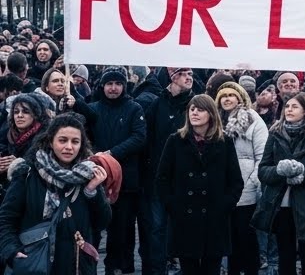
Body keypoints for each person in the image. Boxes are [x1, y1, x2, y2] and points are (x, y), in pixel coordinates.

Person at [0, 113, 112, 275]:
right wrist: (11, 251)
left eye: (75, 142)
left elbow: (102, 222)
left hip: (76, 264)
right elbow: (6, 218)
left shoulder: (87, 174)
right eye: (62, 140)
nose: (69, 147)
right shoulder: (28, 173)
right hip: (37, 262)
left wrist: (91, 191)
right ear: (51, 141)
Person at [156, 94, 245, 275]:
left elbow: (235, 180)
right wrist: (172, 205)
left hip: (214, 218)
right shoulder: (175, 141)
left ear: (211, 113)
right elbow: (162, 179)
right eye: (192, 109)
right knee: (189, 269)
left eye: (200, 109)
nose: (194, 113)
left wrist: (225, 205)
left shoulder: (224, 142)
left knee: (211, 269)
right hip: (184, 217)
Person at [254, 92, 305, 275]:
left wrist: (303, 174)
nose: (289, 109)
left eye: (294, 106)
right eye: (287, 106)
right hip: (281, 206)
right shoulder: (275, 134)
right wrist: (279, 171)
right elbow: (263, 170)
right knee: (285, 257)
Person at [87, 66, 146, 275]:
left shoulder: (134, 108)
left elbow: (139, 137)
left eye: (118, 84)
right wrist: (96, 157)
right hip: (95, 179)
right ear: (103, 86)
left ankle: (122, 266)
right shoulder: (92, 108)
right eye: (110, 84)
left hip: (125, 181)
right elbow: (84, 136)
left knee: (123, 228)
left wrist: (111, 153)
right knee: (93, 226)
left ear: (124, 86)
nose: (113, 88)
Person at [139, 66, 195, 275]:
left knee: (185, 227)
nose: (189, 78)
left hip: (186, 179)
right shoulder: (157, 103)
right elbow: (146, 138)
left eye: (191, 74)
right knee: (157, 228)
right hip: (158, 177)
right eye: (183, 74)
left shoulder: (194, 105)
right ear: (171, 77)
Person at [219, 81, 268, 275]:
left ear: (240, 98)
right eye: (223, 96)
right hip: (223, 186)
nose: (227, 99)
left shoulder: (252, 119)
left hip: (246, 186)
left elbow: (262, 154)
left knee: (246, 235)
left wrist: (253, 181)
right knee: (229, 236)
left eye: (231, 95)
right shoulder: (215, 120)